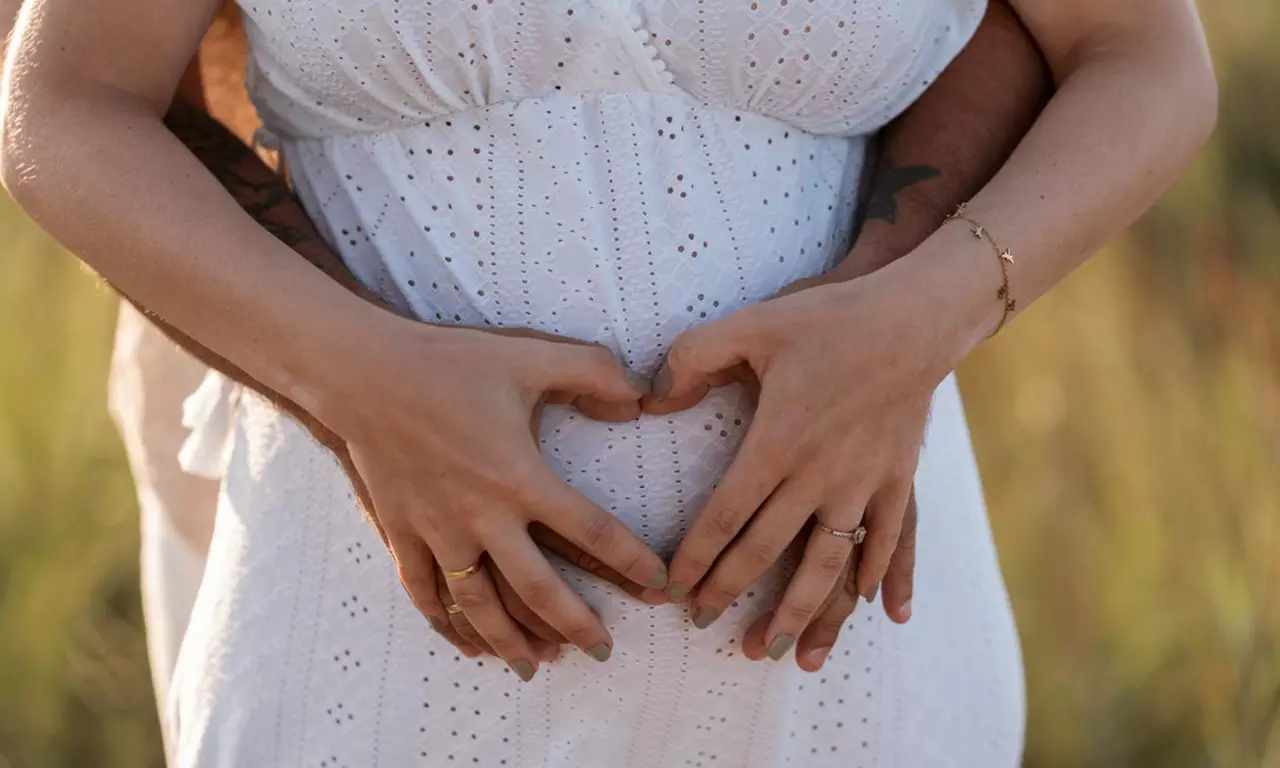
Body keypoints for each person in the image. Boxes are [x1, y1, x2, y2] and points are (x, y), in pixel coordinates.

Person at [1, 0, 1215, 766]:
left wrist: (921, 317)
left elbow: (1143, 54)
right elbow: (65, 102)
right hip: (371, 636)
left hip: (846, 661)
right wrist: (359, 381)